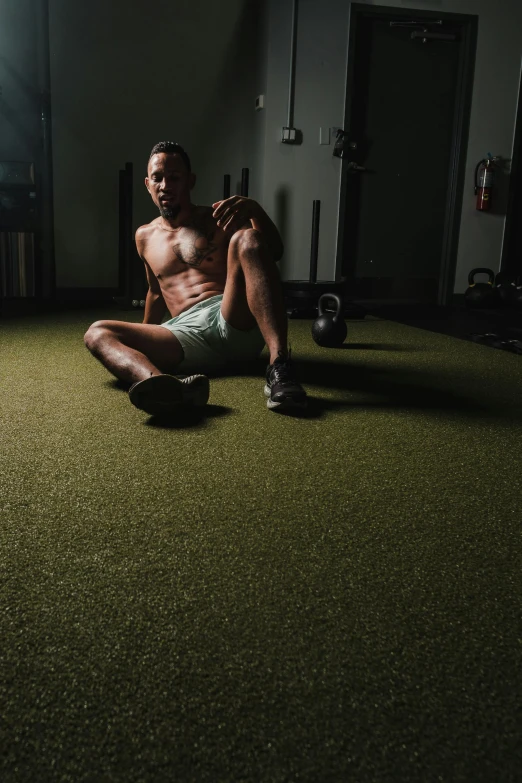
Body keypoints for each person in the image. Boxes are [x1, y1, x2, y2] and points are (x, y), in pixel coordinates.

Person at [84, 141, 308, 416]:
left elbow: (272, 253)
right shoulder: (144, 236)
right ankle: (163, 386)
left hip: (232, 317)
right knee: (97, 332)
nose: (165, 185)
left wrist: (256, 212)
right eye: (157, 178)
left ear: (190, 181)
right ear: (147, 184)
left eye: (174, 177)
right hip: (185, 334)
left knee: (247, 237)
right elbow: (155, 292)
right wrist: (144, 339)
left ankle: (279, 365)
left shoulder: (219, 219)